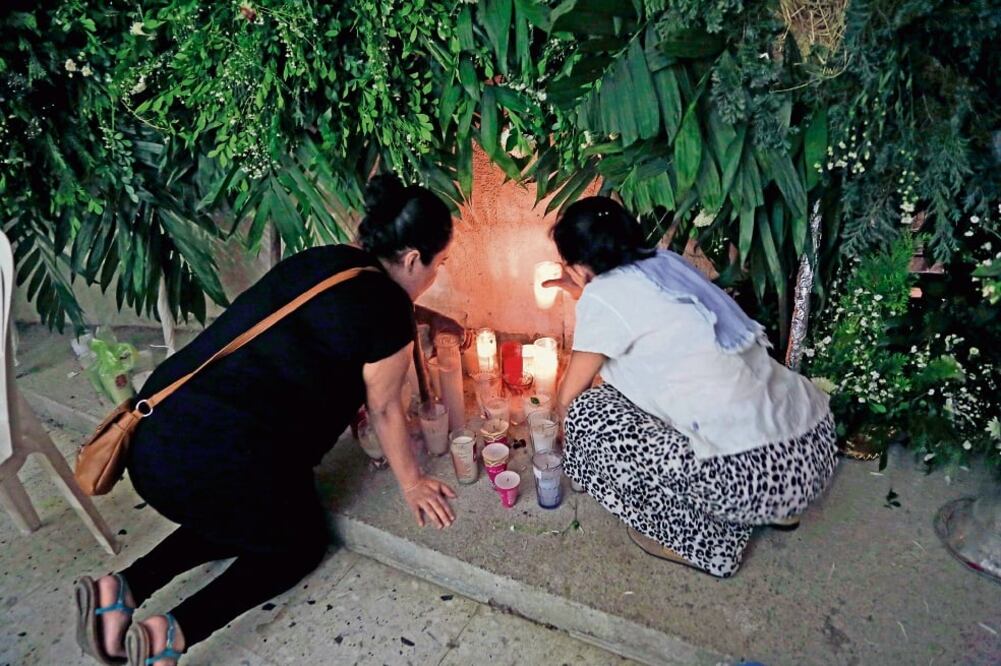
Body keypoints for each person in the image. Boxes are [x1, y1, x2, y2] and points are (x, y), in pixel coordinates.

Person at [73, 175, 460, 665]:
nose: (436, 275)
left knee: (245, 519)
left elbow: (341, 317)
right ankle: (168, 634)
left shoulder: (323, 261)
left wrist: (430, 321)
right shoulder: (386, 311)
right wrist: (413, 484)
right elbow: (384, 408)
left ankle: (122, 589)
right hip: (215, 460)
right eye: (439, 263)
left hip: (154, 440)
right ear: (411, 260)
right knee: (294, 545)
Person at [545, 196, 837, 578]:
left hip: (751, 478)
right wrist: (586, 288)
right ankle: (781, 514)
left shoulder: (605, 295)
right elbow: (636, 315)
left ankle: (709, 544)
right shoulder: (666, 264)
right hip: (811, 445)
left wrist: (557, 432)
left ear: (579, 266)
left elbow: (570, 394)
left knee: (587, 416)